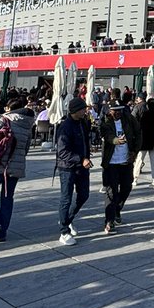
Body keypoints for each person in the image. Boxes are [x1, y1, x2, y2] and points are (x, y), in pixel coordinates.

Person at [0, 95, 34, 242]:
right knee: (7, 198)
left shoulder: (4, 120)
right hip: (15, 168)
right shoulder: (28, 125)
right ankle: (2, 233)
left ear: (11, 109)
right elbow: (26, 148)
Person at [55, 97, 92, 245]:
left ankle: (67, 218)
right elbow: (62, 152)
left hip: (82, 166)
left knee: (84, 195)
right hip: (67, 167)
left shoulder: (82, 123)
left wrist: (87, 156)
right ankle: (64, 231)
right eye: (83, 109)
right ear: (75, 111)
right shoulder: (65, 126)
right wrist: (80, 159)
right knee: (66, 198)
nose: (85, 111)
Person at [99, 101, 141, 233]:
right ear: (110, 110)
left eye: (120, 110)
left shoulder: (129, 119)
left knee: (127, 188)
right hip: (111, 162)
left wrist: (135, 151)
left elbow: (139, 133)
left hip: (126, 161)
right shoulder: (106, 121)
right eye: (114, 110)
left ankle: (117, 209)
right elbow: (107, 135)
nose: (117, 113)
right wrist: (117, 140)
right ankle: (109, 221)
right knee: (111, 192)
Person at [133, 98, 154, 189]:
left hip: (144, 140)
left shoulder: (145, 114)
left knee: (139, 160)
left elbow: (140, 125)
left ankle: (135, 179)